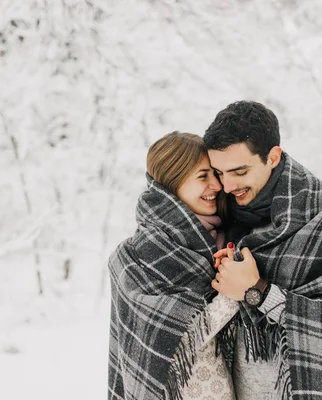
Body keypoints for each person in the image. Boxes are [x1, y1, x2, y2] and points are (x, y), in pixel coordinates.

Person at [204, 101, 322, 400]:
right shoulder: (224, 213)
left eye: (239, 171)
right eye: (219, 172)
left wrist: (257, 290)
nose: (227, 185)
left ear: (273, 156)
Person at [107, 132, 239, 400]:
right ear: (173, 181)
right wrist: (234, 291)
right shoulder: (134, 256)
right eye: (203, 176)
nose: (217, 185)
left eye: (215, 174)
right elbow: (171, 338)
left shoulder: (230, 238)